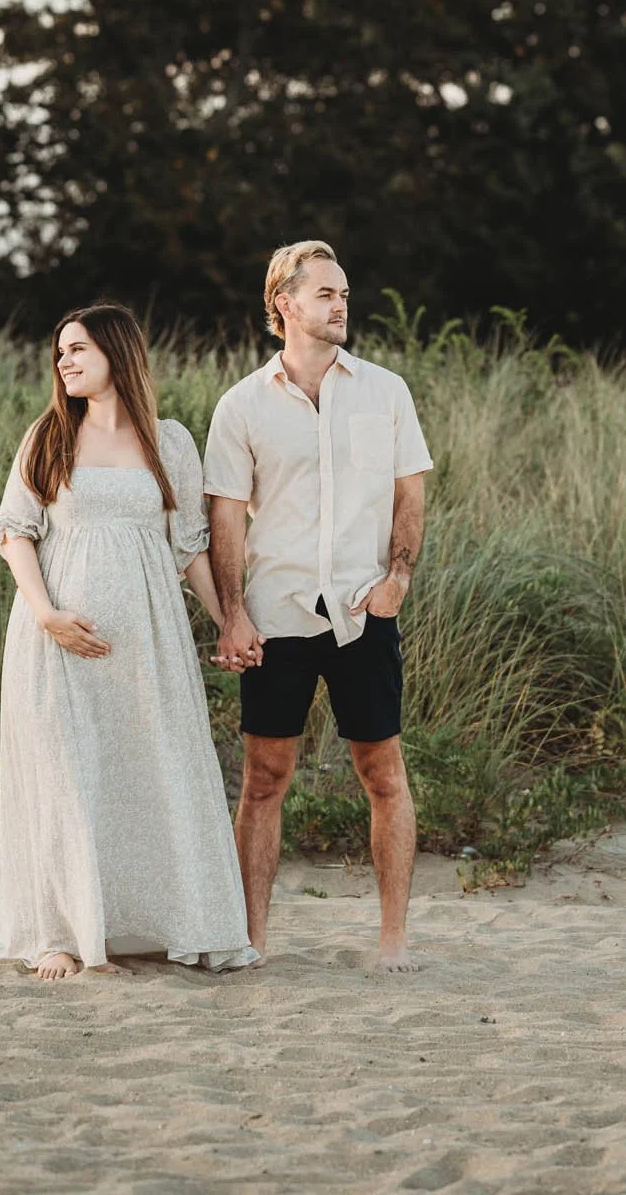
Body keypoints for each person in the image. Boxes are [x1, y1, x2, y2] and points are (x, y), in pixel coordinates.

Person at [0, 302, 255, 980]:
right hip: (59, 639)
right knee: (66, 774)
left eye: (77, 349)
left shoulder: (170, 441)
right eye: (60, 352)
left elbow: (189, 547)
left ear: (117, 354)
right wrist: (46, 614)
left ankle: (160, 922)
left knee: (152, 770)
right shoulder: (48, 436)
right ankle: (57, 934)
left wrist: (227, 621)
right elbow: (13, 531)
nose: (63, 362)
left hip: (150, 645)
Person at [205, 242, 432, 971]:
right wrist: (233, 614)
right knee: (263, 780)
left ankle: (392, 939)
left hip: (364, 614)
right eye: (327, 294)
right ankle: (253, 939)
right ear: (284, 305)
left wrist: (397, 576)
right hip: (276, 618)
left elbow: (409, 491)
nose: (342, 305)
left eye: (344, 293)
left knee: (384, 776)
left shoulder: (384, 391)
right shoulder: (240, 405)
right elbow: (226, 518)